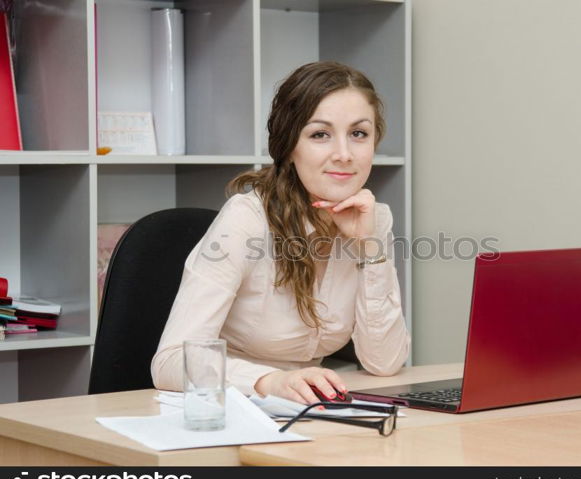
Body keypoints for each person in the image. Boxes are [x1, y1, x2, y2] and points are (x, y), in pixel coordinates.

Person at [151, 61, 410, 405]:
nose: (345, 155)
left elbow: (385, 362)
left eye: (358, 134)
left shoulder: (372, 218)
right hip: (229, 406)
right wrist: (269, 381)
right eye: (320, 134)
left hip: (310, 412)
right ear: (289, 146)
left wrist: (369, 248)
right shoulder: (246, 219)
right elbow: (169, 362)